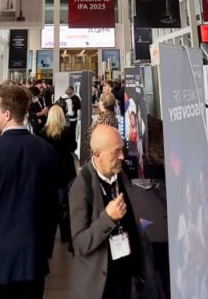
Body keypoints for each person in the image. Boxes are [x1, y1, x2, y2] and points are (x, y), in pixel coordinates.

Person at [0, 83, 58, 299]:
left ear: (6, 114)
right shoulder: (45, 151)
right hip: (32, 261)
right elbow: (52, 209)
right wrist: (43, 252)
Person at [69, 125, 155, 299]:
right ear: (98, 155)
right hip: (100, 287)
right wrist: (108, 218)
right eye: (116, 152)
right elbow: (80, 244)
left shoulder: (121, 175)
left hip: (125, 282)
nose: (122, 157)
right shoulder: (81, 186)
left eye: (121, 150)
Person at [40, 105, 77, 242]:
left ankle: (49, 237)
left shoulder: (43, 132)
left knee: (49, 206)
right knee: (64, 205)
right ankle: (65, 235)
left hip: (49, 172)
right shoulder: (67, 131)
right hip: (65, 171)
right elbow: (74, 147)